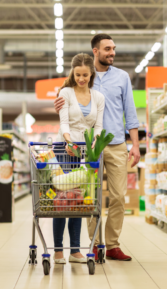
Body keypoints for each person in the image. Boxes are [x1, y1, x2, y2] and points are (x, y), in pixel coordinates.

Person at [54, 34, 140, 261]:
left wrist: (136, 144)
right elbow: (66, 107)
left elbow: (130, 113)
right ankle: (95, 243)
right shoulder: (81, 76)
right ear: (95, 51)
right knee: (91, 197)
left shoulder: (122, 77)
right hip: (87, 148)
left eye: (113, 48)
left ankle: (112, 244)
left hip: (116, 144)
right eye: (107, 49)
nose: (112, 52)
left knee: (119, 196)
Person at [53, 53, 105, 264]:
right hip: (64, 148)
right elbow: (64, 122)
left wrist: (95, 142)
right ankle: (58, 250)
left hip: (85, 150)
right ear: (72, 73)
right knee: (64, 198)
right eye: (77, 75)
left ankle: (75, 250)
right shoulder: (65, 92)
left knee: (77, 199)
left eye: (85, 75)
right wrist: (68, 141)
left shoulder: (99, 97)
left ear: (91, 74)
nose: (81, 79)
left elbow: (98, 126)